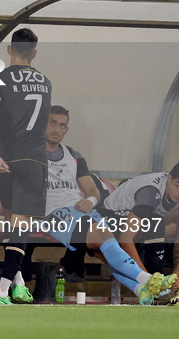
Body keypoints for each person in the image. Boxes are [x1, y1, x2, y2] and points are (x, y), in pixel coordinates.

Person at [41, 105, 176, 305]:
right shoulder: (30, 155)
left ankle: (140, 290)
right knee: (105, 237)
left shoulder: (74, 156)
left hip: (82, 211)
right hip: (56, 214)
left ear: (67, 129)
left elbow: (93, 191)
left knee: (105, 251)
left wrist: (91, 200)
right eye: (52, 123)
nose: (57, 129)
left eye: (62, 125)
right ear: (42, 123)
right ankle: (148, 280)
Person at [0, 28, 52, 305]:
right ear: (34, 54)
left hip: (4, 160)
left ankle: (19, 284)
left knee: (12, 222)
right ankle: (2, 293)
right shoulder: (45, 81)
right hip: (34, 160)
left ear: (9, 49)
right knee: (20, 228)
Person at [98, 162, 179, 275]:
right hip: (106, 217)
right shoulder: (150, 192)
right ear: (169, 178)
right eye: (177, 185)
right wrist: (143, 275)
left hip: (137, 217)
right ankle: (153, 278)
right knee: (156, 223)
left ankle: (155, 278)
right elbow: (125, 238)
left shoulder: (171, 190)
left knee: (159, 224)